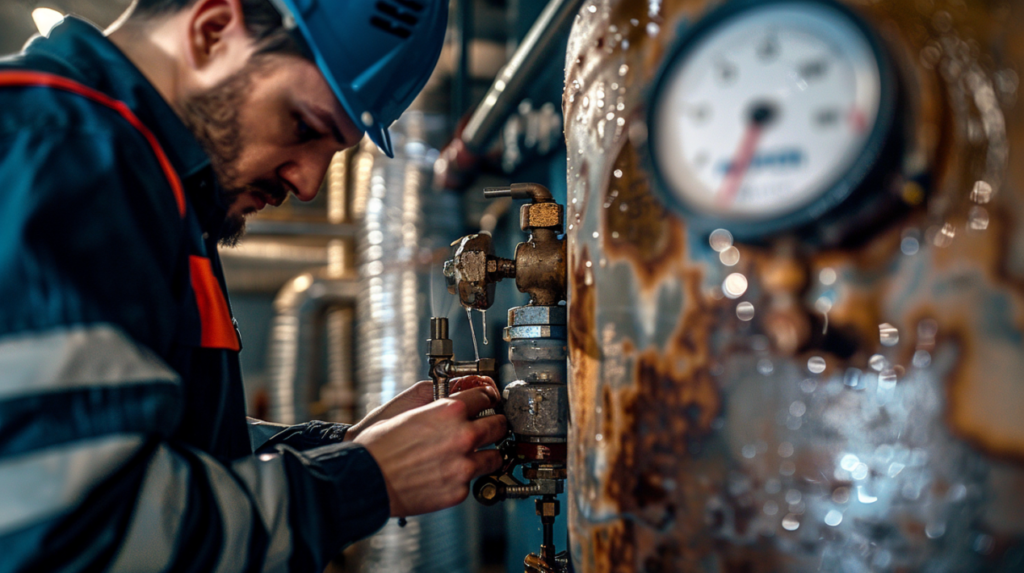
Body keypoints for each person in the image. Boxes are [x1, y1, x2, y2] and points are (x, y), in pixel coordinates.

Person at [0, 0, 506, 571]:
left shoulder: (152, 187)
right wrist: (363, 481)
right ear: (213, 29)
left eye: (332, 152)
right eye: (303, 126)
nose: (310, 182)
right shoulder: (64, 152)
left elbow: (149, 441)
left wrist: (343, 447)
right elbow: (73, 536)